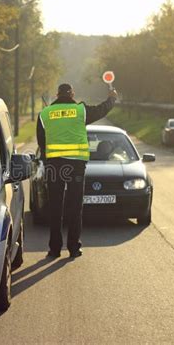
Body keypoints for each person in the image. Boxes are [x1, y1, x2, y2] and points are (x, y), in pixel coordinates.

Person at [36, 83, 118, 258]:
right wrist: (112, 99)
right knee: (75, 207)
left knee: (55, 208)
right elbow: (101, 110)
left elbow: (41, 142)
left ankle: (54, 249)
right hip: (76, 167)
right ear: (72, 94)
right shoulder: (81, 111)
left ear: (57, 94)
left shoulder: (45, 114)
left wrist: (47, 161)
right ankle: (74, 248)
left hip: (55, 166)